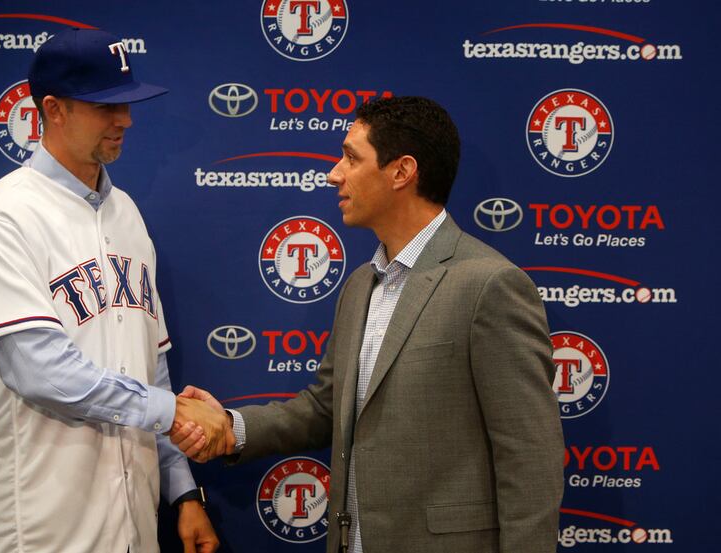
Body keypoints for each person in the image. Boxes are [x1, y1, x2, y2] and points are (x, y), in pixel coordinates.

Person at [172, 96, 565, 553]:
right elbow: (325, 409)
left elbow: (531, 460)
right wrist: (230, 427)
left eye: (351, 157)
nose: (334, 173)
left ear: (401, 172)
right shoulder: (361, 284)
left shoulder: (489, 285)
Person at [0, 28, 229, 553]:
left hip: (129, 524)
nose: (124, 120)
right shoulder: (4, 217)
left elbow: (153, 365)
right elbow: (41, 372)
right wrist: (173, 412)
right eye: (105, 106)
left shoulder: (127, 214)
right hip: (35, 529)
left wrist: (183, 492)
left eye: (126, 105)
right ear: (53, 109)